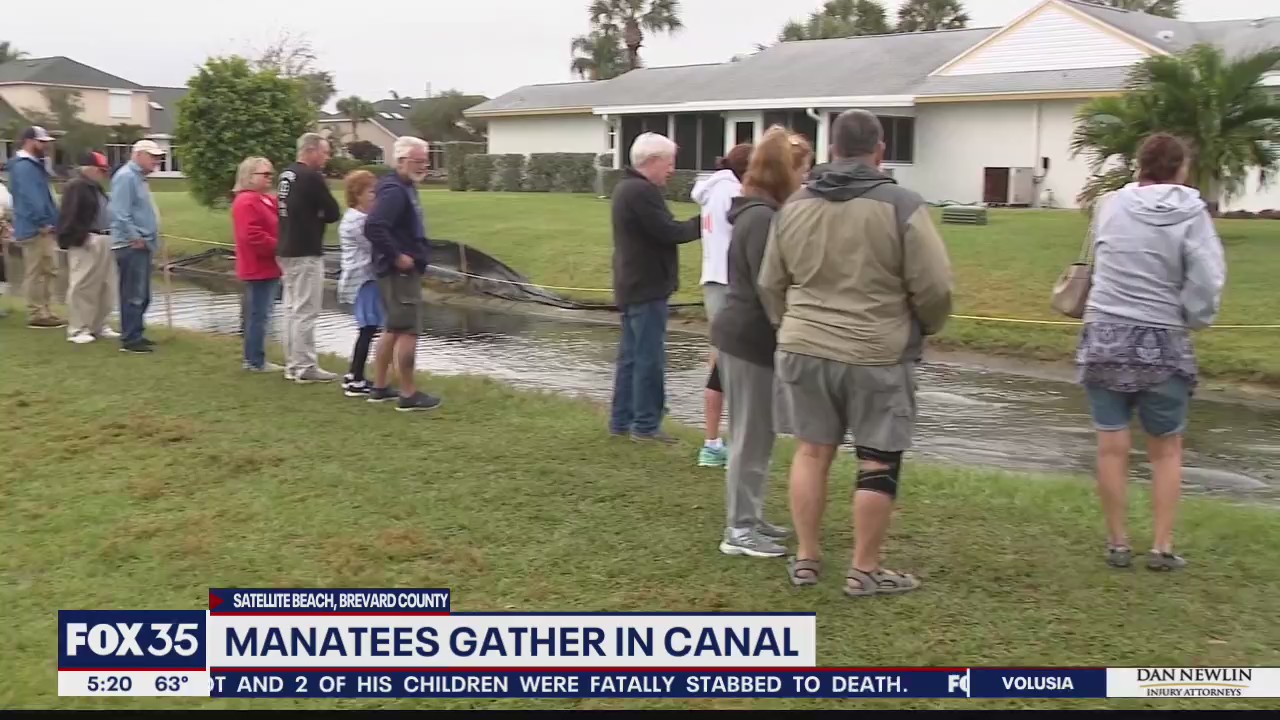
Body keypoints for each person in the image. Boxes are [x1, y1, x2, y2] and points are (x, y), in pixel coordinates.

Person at [759, 110, 953, 597]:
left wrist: (791, 325)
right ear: (879, 150)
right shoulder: (902, 205)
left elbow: (769, 283)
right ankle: (863, 570)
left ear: (831, 149)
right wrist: (923, 326)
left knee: (810, 451)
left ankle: (807, 558)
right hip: (877, 351)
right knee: (877, 462)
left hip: (804, 346)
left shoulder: (795, 206)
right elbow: (934, 286)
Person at [1077, 133, 1226, 572]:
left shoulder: (1110, 204)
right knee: (1166, 448)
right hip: (1162, 338)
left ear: (1138, 165)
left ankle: (1118, 542)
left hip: (1104, 332)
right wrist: (1193, 317)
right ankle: (1161, 546)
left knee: (1111, 444)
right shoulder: (1193, 212)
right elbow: (1206, 279)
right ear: (1181, 169)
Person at [711, 128, 812, 558]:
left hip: (750, 337)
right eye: (801, 171)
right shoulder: (761, 219)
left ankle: (750, 516)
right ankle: (739, 529)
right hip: (750, 339)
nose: (806, 179)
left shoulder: (760, 213)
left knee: (759, 435)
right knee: (750, 437)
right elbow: (768, 284)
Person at [608, 132, 702, 443]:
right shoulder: (641, 192)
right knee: (648, 359)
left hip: (632, 284)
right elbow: (668, 231)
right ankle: (646, 426)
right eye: (669, 162)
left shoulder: (626, 188)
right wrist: (706, 221)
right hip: (646, 286)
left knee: (632, 357)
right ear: (652, 161)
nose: (672, 169)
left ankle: (622, 421)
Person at [364, 136, 441, 412]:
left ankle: (380, 386)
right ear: (400, 161)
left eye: (425, 161)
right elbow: (373, 227)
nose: (424, 166)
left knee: (393, 328)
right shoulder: (395, 190)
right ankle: (408, 394)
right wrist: (398, 256)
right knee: (408, 331)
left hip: (393, 273)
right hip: (399, 274)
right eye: (418, 161)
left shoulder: (403, 186)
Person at [691, 143, 752, 468]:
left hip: (712, 279)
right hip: (731, 283)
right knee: (733, 364)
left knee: (720, 360)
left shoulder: (713, 188)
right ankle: (729, 446)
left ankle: (712, 443)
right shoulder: (733, 194)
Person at [278, 133, 341, 383]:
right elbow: (333, 211)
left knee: (291, 309)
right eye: (325, 152)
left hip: (285, 247)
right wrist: (320, 214)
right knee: (306, 310)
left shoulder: (287, 175)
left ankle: (292, 364)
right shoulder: (311, 176)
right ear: (311, 151)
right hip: (305, 249)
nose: (327, 158)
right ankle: (304, 367)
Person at [56, 151, 118, 344]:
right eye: (100, 170)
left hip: (105, 237)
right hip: (87, 240)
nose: (103, 174)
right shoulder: (76, 187)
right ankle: (78, 328)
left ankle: (98, 324)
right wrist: (79, 237)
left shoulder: (95, 187)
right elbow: (70, 216)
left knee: (106, 285)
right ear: (88, 168)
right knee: (83, 284)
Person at [110, 139, 165, 353]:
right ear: (138, 155)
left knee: (142, 294)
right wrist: (135, 236)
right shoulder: (126, 177)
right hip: (132, 244)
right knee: (133, 293)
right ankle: (130, 339)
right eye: (152, 156)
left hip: (143, 243)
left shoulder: (139, 178)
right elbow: (119, 212)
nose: (156, 161)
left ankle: (136, 332)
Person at [9, 126, 64, 329]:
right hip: (35, 228)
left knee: (50, 269)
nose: (46, 145)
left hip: (43, 226)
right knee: (36, 270)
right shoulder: (24, 166)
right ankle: (36, 313)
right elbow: (30, 198)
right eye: (42, 142)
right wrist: (42, 222)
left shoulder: (34, 164)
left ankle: (46, 310)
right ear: (29, 141)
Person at [232, 156, 283, 373]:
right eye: (265, 174)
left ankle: (256, 357)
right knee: (258, 314)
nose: (270, 178)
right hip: (257, 267)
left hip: (270, 266)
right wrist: (280, 246)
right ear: (249, 177)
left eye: (271, 174)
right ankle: (254, 360)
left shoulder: (265, 199)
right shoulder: (246, 201)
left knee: (263, 313)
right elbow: (251, 236)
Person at [337, 169, 382, 396]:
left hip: (368, 280)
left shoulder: (361, 219)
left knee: (371, 328)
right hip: (363, 281)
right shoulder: (357, 222)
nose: (376, 196)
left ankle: (355, 374)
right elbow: (376, 246)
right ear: (358, 194)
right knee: (368, 328)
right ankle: (355, 379)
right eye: (372, 192)